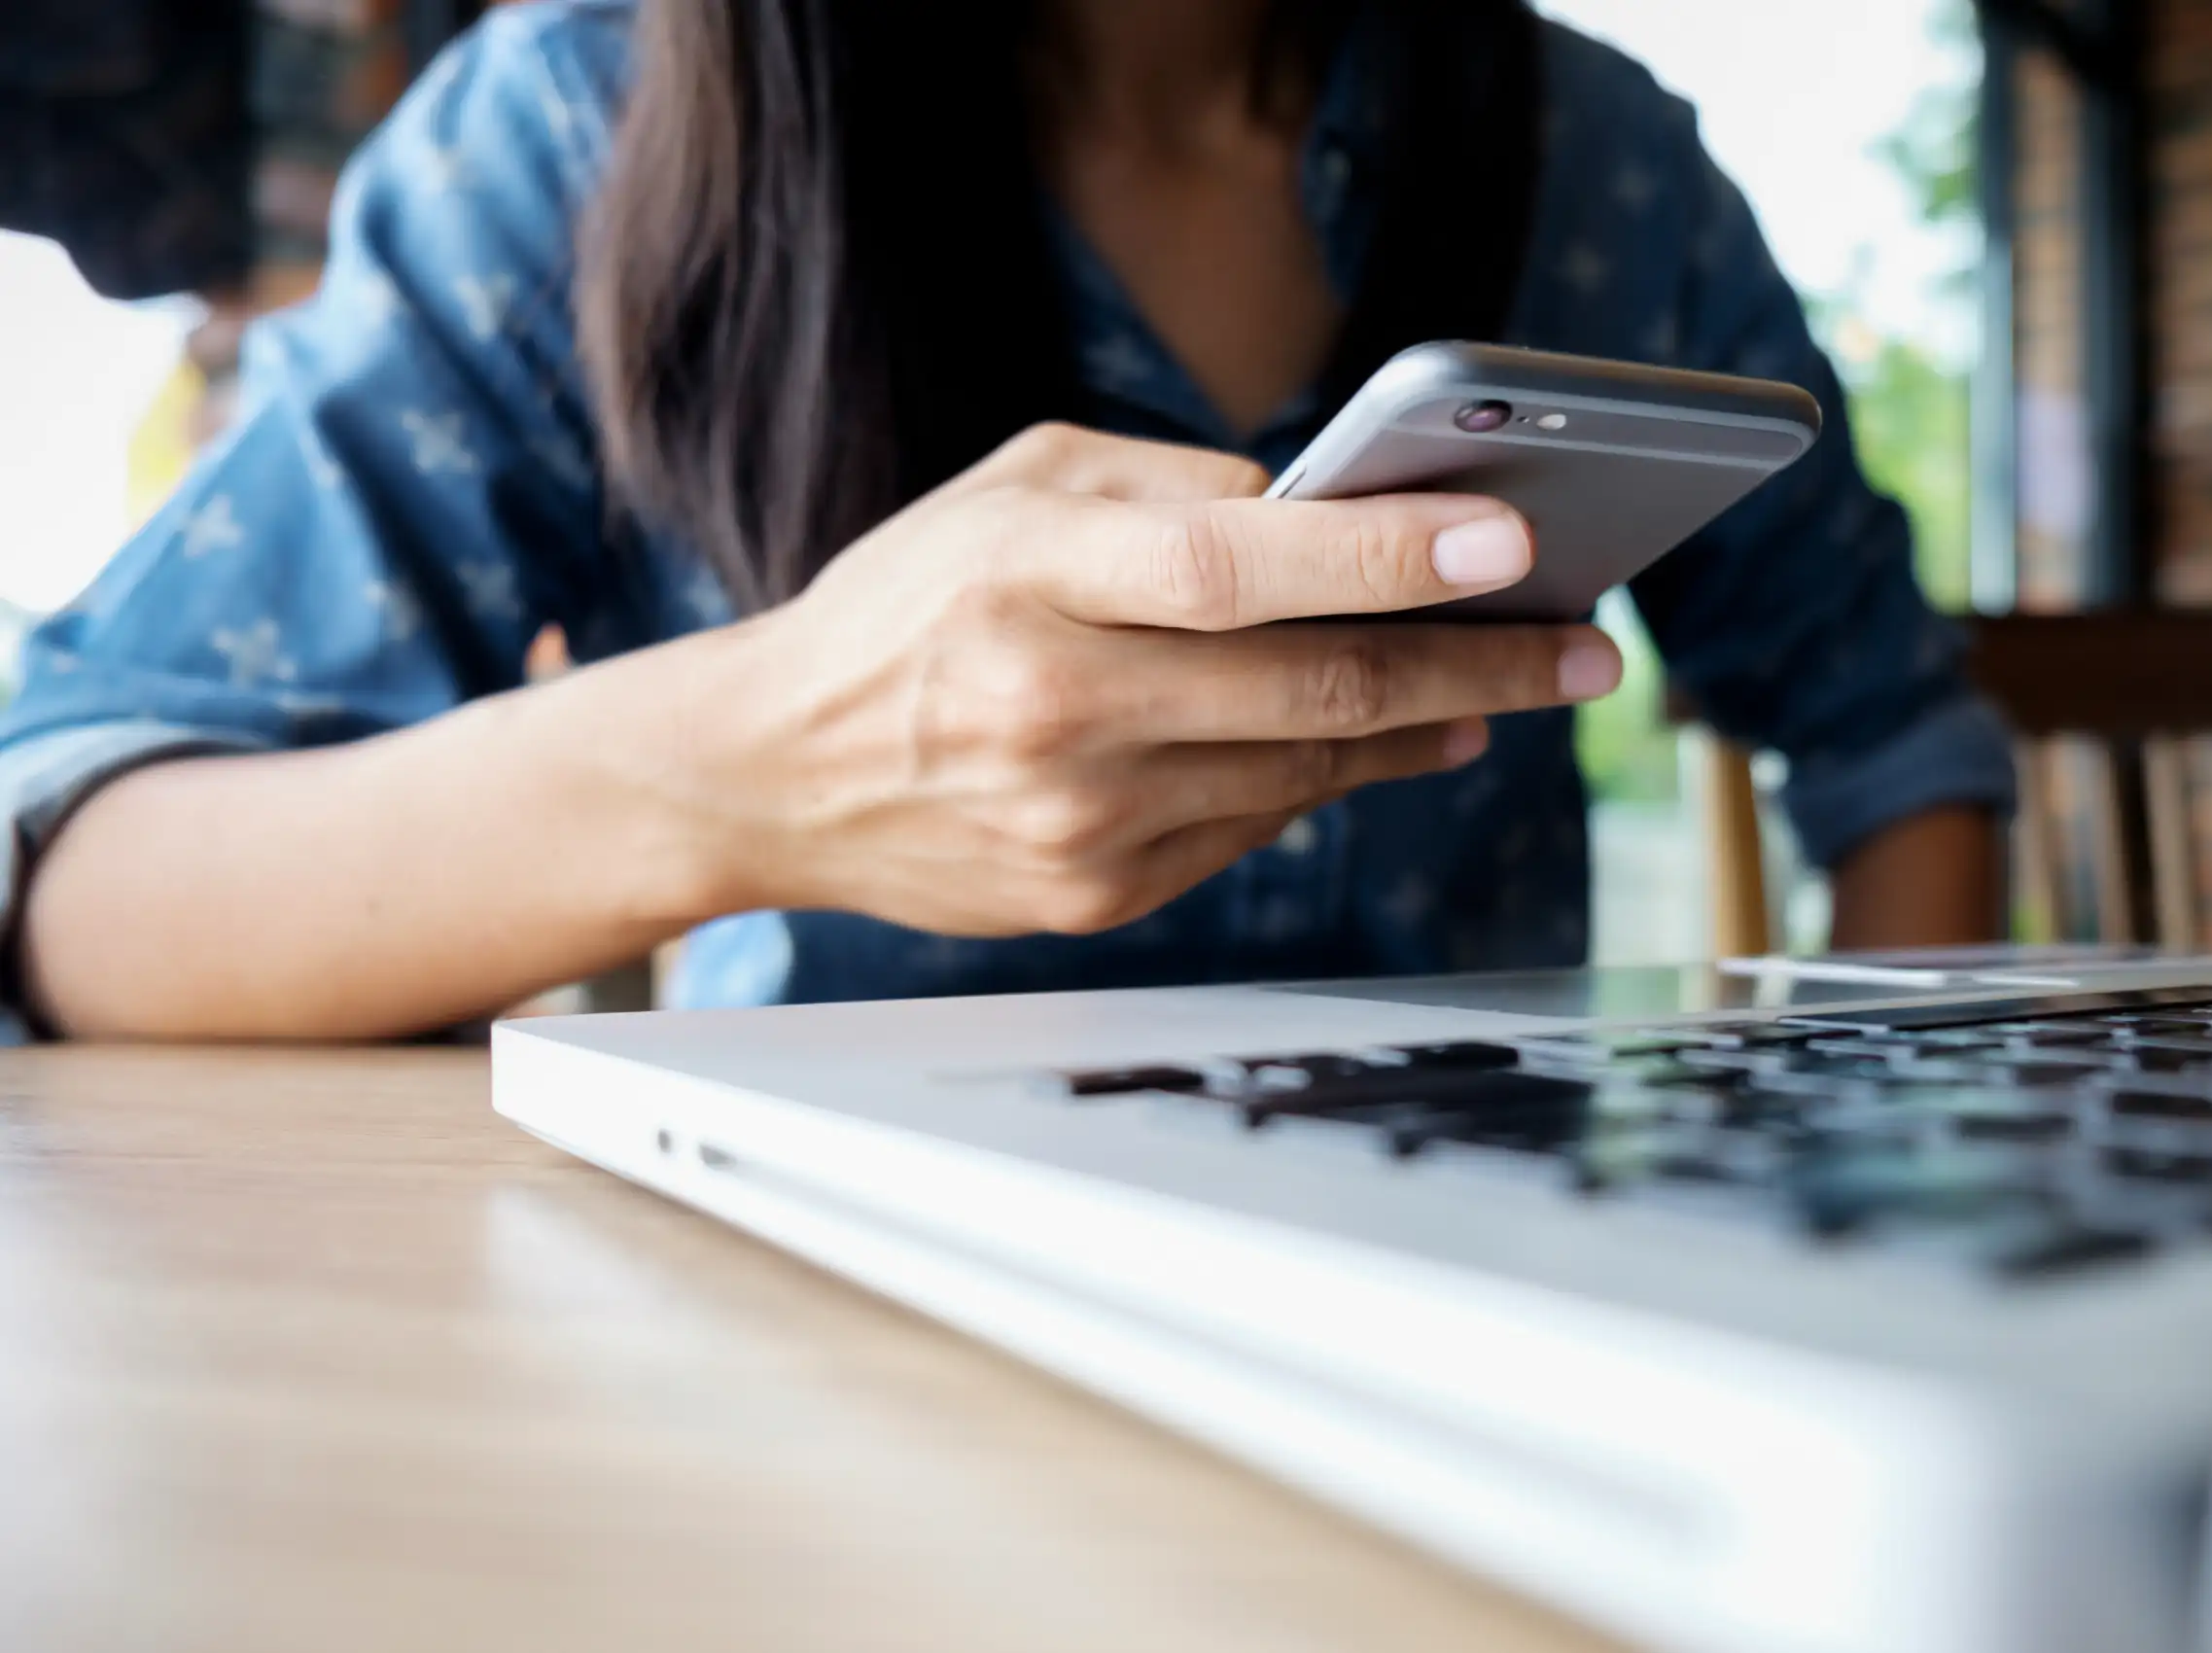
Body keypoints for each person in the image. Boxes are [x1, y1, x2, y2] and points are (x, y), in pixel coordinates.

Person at [0, 0, 2017, 1043]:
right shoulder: (588, 124)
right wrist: (736, 772)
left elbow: (1892, 733)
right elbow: (70, 871)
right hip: (814, 1335)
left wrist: (1869, 1176)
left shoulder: (1604, 158)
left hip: (1507, 1258)